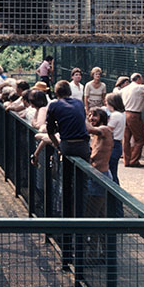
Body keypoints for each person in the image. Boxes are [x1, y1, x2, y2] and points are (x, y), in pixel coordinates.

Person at [32, 80, 90, 214]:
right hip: (83, 146)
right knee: (82, 182)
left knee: (66, 180)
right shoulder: (79, 103)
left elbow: (50, 131)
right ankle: (81, 214)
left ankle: (66, 215)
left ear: (56, 92)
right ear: (69, 91)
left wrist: (58, 146)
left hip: (67, 146)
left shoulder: (54, 105)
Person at [120, 71, 144, 167]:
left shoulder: (125, 89)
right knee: (139, 139)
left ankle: (126, 160)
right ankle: (134, 161)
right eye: (142, 78)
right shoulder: (138, 88)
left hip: (125, 113)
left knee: (126, 138)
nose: (143, 80)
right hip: (134, 115)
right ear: (138, 79)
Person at [105, 91, 126, 186]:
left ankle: (114, 198)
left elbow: (107, 130)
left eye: (107, 102)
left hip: (113, 144)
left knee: (111, 172)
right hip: (117, 144)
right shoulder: (122, 114)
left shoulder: (115, 115)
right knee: (113, 171)